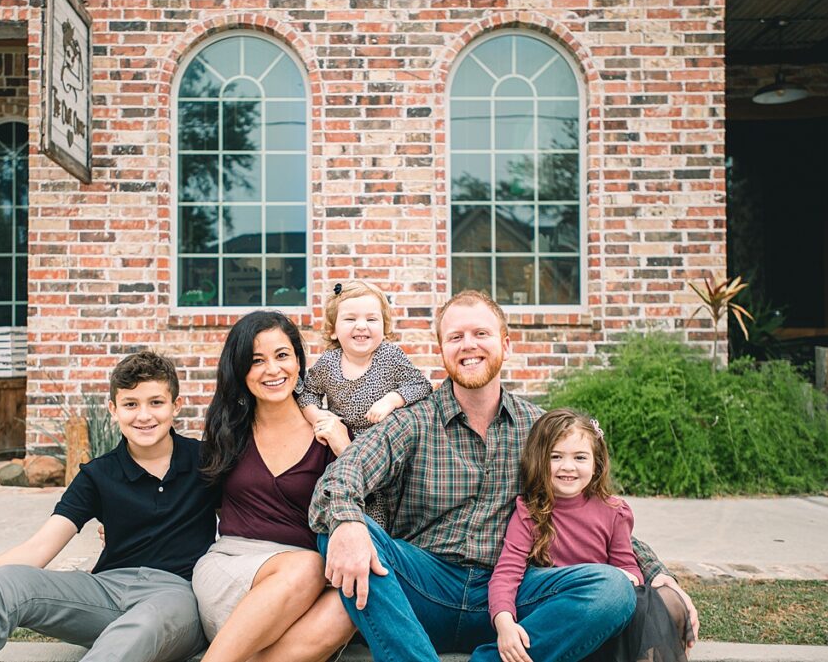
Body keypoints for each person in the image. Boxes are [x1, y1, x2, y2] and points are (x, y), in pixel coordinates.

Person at [309, 289, 699, 662]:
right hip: (421, 588)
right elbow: (341, 477)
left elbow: (596, 512)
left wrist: (656, 571)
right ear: (442, 350)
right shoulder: (412, 421)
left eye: (481, 333)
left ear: (506, 345)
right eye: (456, 336)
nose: (469, 345)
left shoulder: (538, 428)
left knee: (611, 589)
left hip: (512, 594)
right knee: (340, 528)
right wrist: (347, 523)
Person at [0, 351, 216, 662]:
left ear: (176, 406)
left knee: (142, 624)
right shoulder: (98, 474)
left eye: (155, 402)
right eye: (131, 404)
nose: (143, 415)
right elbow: (40, 546)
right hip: (106, 592)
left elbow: (244, 525)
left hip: (176, 597)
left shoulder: (207, 461)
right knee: (4, 583)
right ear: (113, 410)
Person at [192, 310, 356, 662]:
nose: (272, 370)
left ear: (298, 360)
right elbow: (191, 500)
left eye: (282, 355)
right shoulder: (228, 432)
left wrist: (345, 449)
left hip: (306, 592)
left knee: (353, 604)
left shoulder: (330, 434)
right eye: (256, 361)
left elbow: (366, 505)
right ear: (240, 370)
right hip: (235, 566)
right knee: (307, 565)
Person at [477, 408, 693, 662]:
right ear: (539, 460)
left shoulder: (614, 511)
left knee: (662, 603)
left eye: (580, 457)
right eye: (556, 456)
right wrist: (504, 623)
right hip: (563, 610)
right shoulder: (530, 511)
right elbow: (507, 573)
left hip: (604, 609)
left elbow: (629, 569)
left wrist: (621, 576)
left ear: (596, 463)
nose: (567, 467)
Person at [298, 280, 432, 526]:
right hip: (344, 452)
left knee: (385, 518)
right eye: (350, 319)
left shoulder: (390, 357)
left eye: (372, 319)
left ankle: (384, 552)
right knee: (351, 509)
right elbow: (307, 394)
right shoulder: (328, 363)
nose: (362, 326)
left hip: (387, 452)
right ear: (333, 330)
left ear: (384, 327)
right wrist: (319, 417)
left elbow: (421, 386)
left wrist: (392, 400)